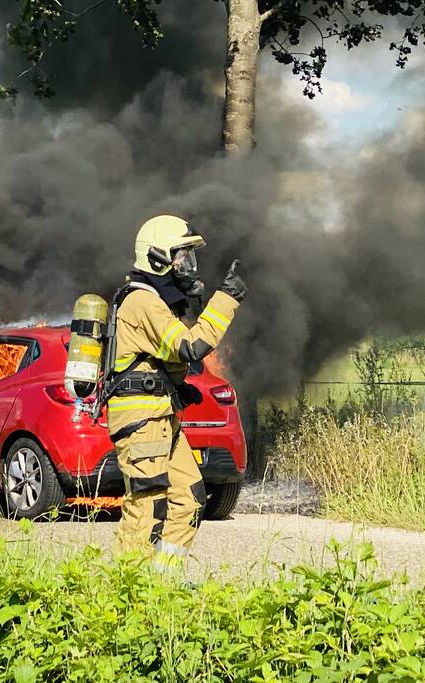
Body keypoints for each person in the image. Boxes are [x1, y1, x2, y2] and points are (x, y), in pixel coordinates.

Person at [106, 214, 247, 572]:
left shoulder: (158, 300)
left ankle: (164, 583)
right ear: (157, 258)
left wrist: (178, 388)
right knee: (148, 502)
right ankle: (128, 591)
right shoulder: (141, 301)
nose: (188, 265)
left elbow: (162, 360)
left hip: (160, 416)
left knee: (188, 497)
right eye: (182, 256)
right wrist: (225, 300)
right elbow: (189, 346)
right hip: (141, 421)